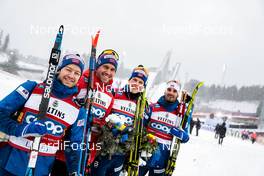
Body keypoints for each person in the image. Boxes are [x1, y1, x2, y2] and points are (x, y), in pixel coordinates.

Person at [0, 54, 86, 176]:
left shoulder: (78, 110)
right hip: (9, 162)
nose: (71, 75)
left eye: (77, 73)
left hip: (41, 169)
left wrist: (74, 171)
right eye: (68, 69)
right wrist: (23, 129)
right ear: (59, 69)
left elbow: (75, 144)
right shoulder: (32, 88)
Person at [50, 49, 120, 175]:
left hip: (86, 154)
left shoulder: (110, 95)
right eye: (105, 67)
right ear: (97, 65)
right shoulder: (81, 81)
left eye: (112, 69)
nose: (108, 72)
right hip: (64, 151)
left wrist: (104, 128)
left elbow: (104, 120)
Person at [91, 65, 149, 176]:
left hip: (121, 152)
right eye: (134, 80)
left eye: (140, 82)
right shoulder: (115, 93)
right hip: (104, 147)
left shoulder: (143, 105)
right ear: (129, 80)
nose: (136, 84)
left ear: (144, 86)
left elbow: (141, 129)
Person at [139, 80, 190, 176]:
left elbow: (186, 138)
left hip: (162, 158)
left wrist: (181, 134)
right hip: (144, 153)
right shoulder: (152, 107)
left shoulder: (180, 114)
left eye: (174, 91)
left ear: (178, 94)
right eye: (169, 89)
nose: (171, 93)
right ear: (164, 91)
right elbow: (140, 126)